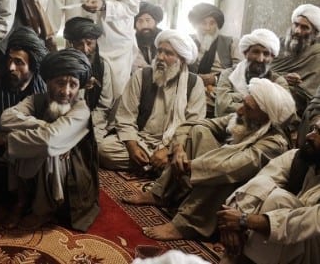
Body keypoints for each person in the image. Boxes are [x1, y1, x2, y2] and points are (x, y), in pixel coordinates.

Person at [124, 78, 295, 241]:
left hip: (238, 194)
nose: (240, 110)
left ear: (266, 117)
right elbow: (193, 125)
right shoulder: (241, 118)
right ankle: (161, 194)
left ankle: (187, 225)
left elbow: (233, 167)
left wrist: (188, 165)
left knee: (223, 169)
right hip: (210, 172)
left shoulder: (275, 143)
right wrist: (178, 149)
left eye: (248, 108)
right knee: (199, 130)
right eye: (243, 103)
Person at [0, 49, 99, 231]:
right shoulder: (37, 100)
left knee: (46, 149)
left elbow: (49, 141)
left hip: (73, 174)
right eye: (60, 83)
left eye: (73, 85)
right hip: (41, 159)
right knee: (31, 142)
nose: (66, 91)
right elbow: (6, 118)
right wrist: (43, 125)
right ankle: (22, 201)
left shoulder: (81, 110)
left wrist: (7, 139)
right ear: (48, 82)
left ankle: (43, 210)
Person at [98, 29, 206, 172]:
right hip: (141, 139)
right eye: (159, 51)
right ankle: (161, 169)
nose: (160, 57)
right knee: (104, 150)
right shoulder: (141, 76)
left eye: (168, 53)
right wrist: (132, 146)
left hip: (176, 144)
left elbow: (193, 124)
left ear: (182, 59)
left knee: (198, 152)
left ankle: (153, 166)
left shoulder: (194, 83)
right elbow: (125, 116)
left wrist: (168, 150)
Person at [217, 118, 320, 264]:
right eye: (313, 129)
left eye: (319, 133)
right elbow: (257, 184)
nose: (310, 136)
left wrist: (244, 220)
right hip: (287, 243)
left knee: (279, 200)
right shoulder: (298, 157)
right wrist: (232, 224)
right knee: (263, 186)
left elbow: (304, 223)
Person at [0, 27, 49, 152]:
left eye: (19, 62)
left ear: (33, 65)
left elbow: (47, 133)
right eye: (10, 59)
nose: (11, 67)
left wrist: (5, 137)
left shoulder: (44, 86)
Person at [216, 28, 288, 117]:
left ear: (272, 57)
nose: (260, 59)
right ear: (246, 53)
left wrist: (235, 97)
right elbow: (222, 108)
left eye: (266, 54)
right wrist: (263, 105)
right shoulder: (228, 75)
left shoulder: (278, 82)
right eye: (256, 52)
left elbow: (283, 113)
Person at [63, 17, 114, 141]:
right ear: (72, 44)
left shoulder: (103, 67)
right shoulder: (61, 66)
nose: (85, 50)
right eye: (80, 44)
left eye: (89, 43)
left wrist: (87, 124)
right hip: (64, 123)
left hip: (94, 124)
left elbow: (104, 105)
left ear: (96, 42)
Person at [188, 3, 242, 117]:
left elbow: (239, 70)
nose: (208, 28)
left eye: (212, 23)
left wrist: (216, 78)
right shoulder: (187, 42)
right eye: (203, 23)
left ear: (217, 25)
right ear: (196, 25)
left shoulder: (231, 43)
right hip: (191, 86)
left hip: (220, 88)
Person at [271, 3, 320, 116]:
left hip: (292, 106)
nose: (297, 31)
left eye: (304, 27)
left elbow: (309, 96)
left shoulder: (317, 55)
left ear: (315, 33)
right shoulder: (277, 44)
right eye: (296, 25)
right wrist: (281, 79)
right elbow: (257, 70)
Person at [135, 1, 164, 67]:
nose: (144, 25)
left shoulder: (165, 40)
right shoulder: (131, 42)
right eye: (140, 21)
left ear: (155, 21)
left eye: (148, 20)